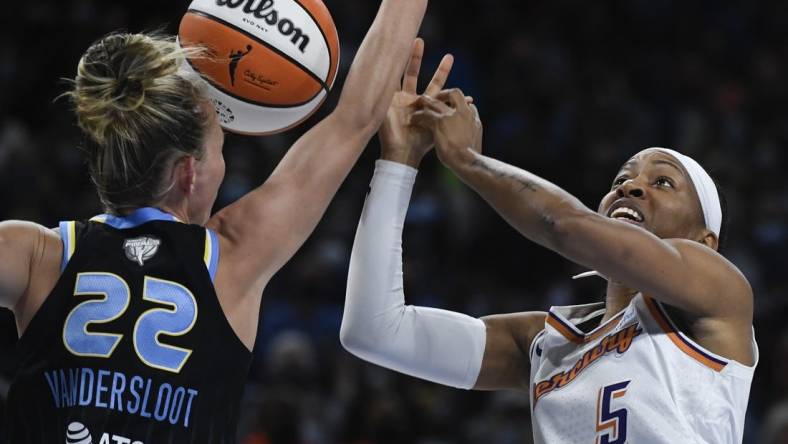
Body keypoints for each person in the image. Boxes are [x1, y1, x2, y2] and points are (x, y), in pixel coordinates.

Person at [0, 0, 453, 440]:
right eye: (221, 148)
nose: (224, 163)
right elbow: (356, 118)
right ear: (189, 172)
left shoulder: (36, 254)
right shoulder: (231, 259)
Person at [340, 89, 758, 443]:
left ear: (706, 241)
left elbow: (565, 226)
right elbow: (375, 331)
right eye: (619, 182)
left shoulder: (721, 294)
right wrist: (397, 163)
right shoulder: (546, 342)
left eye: (662, 182)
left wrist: (466, 159)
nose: (629, 187)